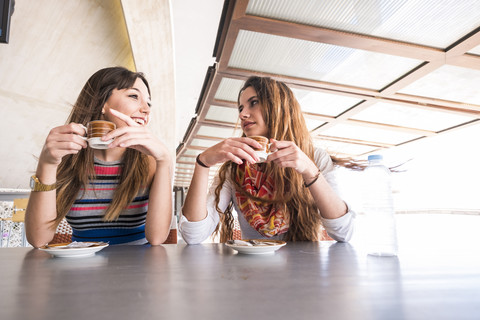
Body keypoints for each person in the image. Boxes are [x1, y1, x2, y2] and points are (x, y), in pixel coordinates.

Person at [179, 76, 356, 244]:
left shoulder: (314, 158)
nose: (242, 115)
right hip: (251, 272)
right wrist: (202, 163)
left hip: (305, 272)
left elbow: (343, 232)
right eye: (240, 108)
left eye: (253, 103)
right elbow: (193, 235)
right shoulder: (234, 169)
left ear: (279, 107)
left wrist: (310, 172)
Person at [25, 67, 173, 247]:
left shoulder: (151, 161)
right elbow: (38, 239)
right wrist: (47, 164)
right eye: (134, 96)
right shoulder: (65, 157)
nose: (146, 109)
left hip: (139, 267)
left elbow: (157, 238)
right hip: (81, 267)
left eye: (149, 103)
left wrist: (165, 161)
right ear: (102, 103)